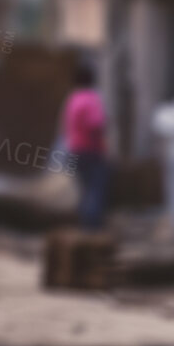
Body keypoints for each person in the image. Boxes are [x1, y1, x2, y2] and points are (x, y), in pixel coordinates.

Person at [63, 63, 110, 230]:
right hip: (90, 150)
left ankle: (85, 224)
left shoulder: (72, 99)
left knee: (84, 189)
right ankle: (92, 227)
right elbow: (96, 124)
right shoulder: (91, 99)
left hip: (74, 149)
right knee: (96, 188)